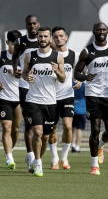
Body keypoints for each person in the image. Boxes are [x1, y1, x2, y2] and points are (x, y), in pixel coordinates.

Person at [22, 26, 65, 177]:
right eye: (40, 36)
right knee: (38, 132)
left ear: (50, 38)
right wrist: (27, 77)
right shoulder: (30, 55)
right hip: (33, 100)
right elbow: (24, 74)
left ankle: (34, 159)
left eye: (46, 36)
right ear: (37, 38)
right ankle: (38, 163)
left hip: (50, 101)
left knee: (46, 137)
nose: (42, 39)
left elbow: (63, 78)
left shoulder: (57, 57)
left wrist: (57, 71)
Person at [74, 22, 108, 175]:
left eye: (104, 29)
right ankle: (94, 165)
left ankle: (101, 144)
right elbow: (77, 73)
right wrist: (85, 77)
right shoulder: (87, 52)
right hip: (93, 93)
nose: (101, 31)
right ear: (94, 31)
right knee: (95, 129)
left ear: (107, 31)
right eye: (98, 29)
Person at [47, 26, 80, 170]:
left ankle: (64, 157)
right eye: (56, 36)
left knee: (67, 127)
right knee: (52, 129)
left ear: (66, 37)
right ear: (52, 39)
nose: (59, 38)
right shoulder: (49, 56)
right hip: (50, 97)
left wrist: (80, 81)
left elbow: (81, 72)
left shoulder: (74, 55)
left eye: (61, 36)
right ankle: (54, 158)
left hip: (67, 96)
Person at [0, 30, 22, 169]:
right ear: (7, 42)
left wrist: (19, 73)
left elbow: (31, 75)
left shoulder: (24, 57)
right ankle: (9, 158)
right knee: (6, 128)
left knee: (15, 130)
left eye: (17, 44)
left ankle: (11, 149)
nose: (14, 47)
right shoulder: (0, 55)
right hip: (4, 97)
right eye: (12, 44)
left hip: (20, 97)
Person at [72, 81, 86, 153]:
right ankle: (77, 145)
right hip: (81, 108)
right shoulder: (84, 85)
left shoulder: (72, 83)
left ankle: (73, 144)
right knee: (79, 128)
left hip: (73, 107)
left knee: (73, 128)